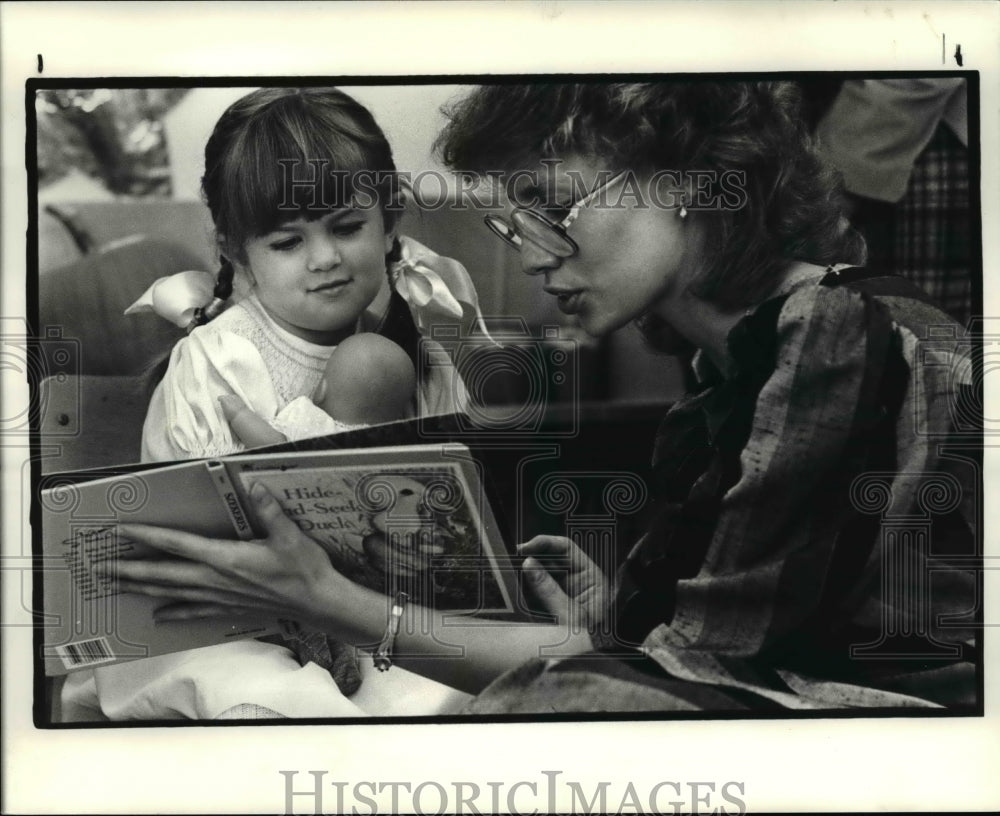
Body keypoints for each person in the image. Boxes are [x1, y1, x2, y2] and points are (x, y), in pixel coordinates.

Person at [96, 81, 978, 713]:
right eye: (509, 222)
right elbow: (705, 635)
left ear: (686, 180)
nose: (526, 253)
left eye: (552, 207)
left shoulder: (838, 334)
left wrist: (335, 600)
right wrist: (619, 614)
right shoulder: (722, 375)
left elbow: (693, 672)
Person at [62, 86, 488, 720]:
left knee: (442, 687)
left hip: (379, 607)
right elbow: (193, 532)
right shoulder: (219, 359)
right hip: (237, 617)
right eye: (287, 243)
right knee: (256, 690)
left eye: (347, 227)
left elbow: (458, 517)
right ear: (237, 250)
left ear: (390, 219)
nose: (325, 259)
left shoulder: (424, 356)